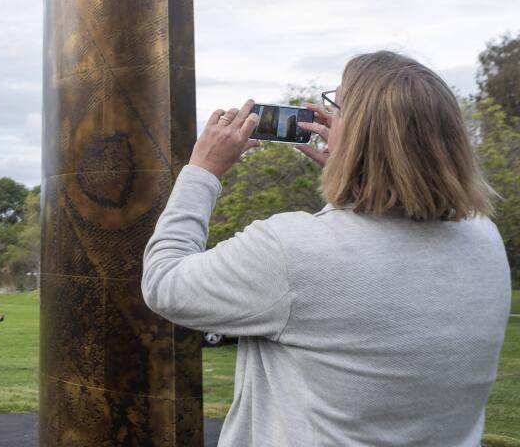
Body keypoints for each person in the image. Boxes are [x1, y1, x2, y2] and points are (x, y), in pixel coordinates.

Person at [141, 51, 511, 446]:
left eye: (338, 105)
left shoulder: (290, 250)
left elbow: (164, 282)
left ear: (358, 135)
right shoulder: (484, 238)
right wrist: (360, 177)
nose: (328, 117)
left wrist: (202, 172)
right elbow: (370, 250)